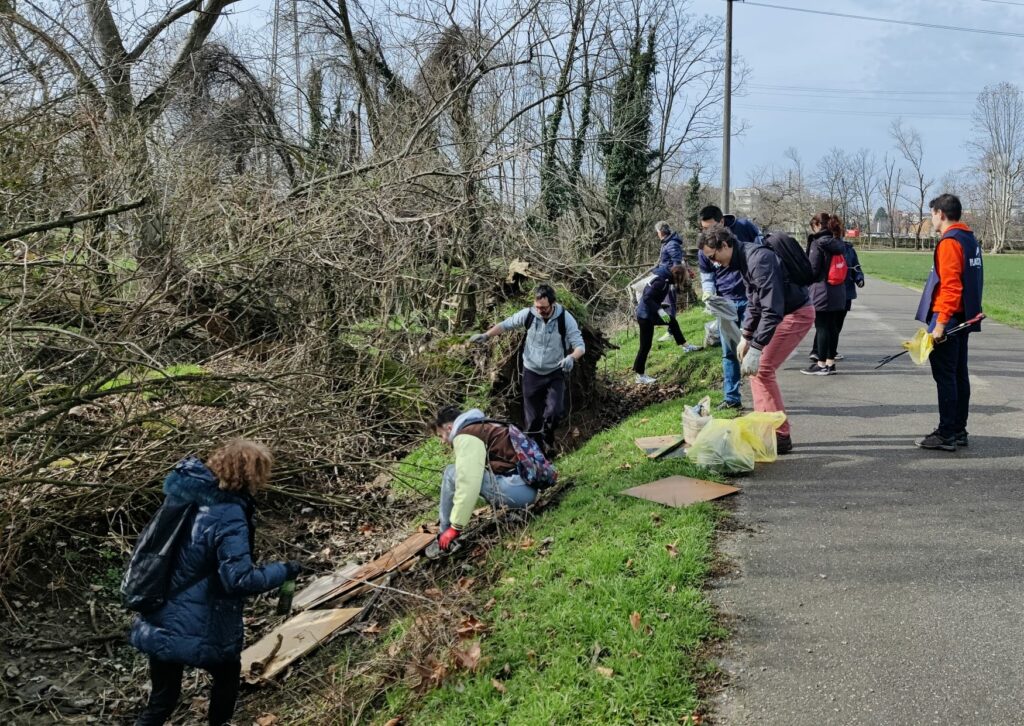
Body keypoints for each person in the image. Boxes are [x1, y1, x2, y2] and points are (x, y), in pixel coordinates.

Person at [130, 440, 300, 726]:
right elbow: (239, 579)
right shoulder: (228, 514)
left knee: (161, 701)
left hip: (159, 613)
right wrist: (284, 570)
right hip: (201, 621)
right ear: (250, 475)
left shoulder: (187, 498)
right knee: (226, 677)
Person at [697, 225, 815, 454]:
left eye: (714, 256)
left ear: (724, 245)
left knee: (762, 370)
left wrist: (757, 348)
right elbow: (754, 302)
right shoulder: (744, 260)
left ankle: (779, 435)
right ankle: (765, 429)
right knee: (755, 372)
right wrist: (747, 336)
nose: (714, 263)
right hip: (785, 312)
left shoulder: (758, 260)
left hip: (796, 314)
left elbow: (771, 309)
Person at [468, 284, 585, 453]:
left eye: (544, 308)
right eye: (537, 307)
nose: (540, 311)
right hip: (531, 371)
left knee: (555, 411)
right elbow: (506, 325)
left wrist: (571, 357)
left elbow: (580, 345)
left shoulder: (565, 319)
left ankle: (548, 438)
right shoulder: (528, 315)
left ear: (552, 304)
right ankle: (535, 452)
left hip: (555, 371)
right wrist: (486, 335)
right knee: (532, 419)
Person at [914, 193, 983, 451]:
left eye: (931, 214)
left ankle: (946, 434)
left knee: (946, 376)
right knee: (958, 374)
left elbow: (951, 287)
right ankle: (958, 429)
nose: (931, 218)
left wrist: (940, 324)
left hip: (949, 318)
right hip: (964, 316)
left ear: (941, 214)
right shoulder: (968, 238)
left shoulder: (950, 242)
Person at [427, 406, 540, 558]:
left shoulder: (466, 436)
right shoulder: (482, 424)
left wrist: (455, 527)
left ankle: (444, 535)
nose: (442, 442)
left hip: (518, 491)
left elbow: (468, 484)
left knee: (451, 473)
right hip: (527, 486)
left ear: (449, 427)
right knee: (465, 473)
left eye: (440, 436)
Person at [698, 205, 762, 410]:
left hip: (750, 298)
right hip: (725, 302)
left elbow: (760, 252)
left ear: (722, 222)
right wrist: (708, 293)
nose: (708, 233)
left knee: (753, 350)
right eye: (704, 229)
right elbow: (707, 275)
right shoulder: (704, 247)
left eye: (711, 227)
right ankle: (732, 397)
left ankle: (761, 398)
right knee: (729, 352)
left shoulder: (744, 229)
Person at [801, 212, 848, 376]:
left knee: (821, 327)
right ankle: (830, 362)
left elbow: (813, 270)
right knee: (833, 328)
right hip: (839, 290)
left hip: (821, 290)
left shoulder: (817, 243)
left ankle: (820, 364)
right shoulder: (838, 243)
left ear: (817, 225)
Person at [633, 264, 692, 385]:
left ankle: (686, 346)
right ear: (678, 276)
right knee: (645, 346)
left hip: (649, 313)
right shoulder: (661, 281)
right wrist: (659, 310)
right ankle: (639, 376)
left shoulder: (665, 278)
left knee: (672, 321)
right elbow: (647, 297)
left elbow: (653, 297)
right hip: (645, 316)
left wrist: (661, 306)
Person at [651, 221, 694, 344]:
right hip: (666, 277)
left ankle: (670, 331)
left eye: (657, 232)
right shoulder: (668, 242)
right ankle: (670, 329)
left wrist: (674, 279)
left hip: (670, 279)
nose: (657, 234)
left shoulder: (671, 244)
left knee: (670, 305)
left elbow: (677, 262)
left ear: (661, 231)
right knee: (667, 304)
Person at [827, 236, 865, 361]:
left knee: (838, 323)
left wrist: (859, 278)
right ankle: (819, 350)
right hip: (829, 291)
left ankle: (831, 350)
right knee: (826, 323)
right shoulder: (825, 248)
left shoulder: (849, 249)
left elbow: (856, 266)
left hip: (846, 291)